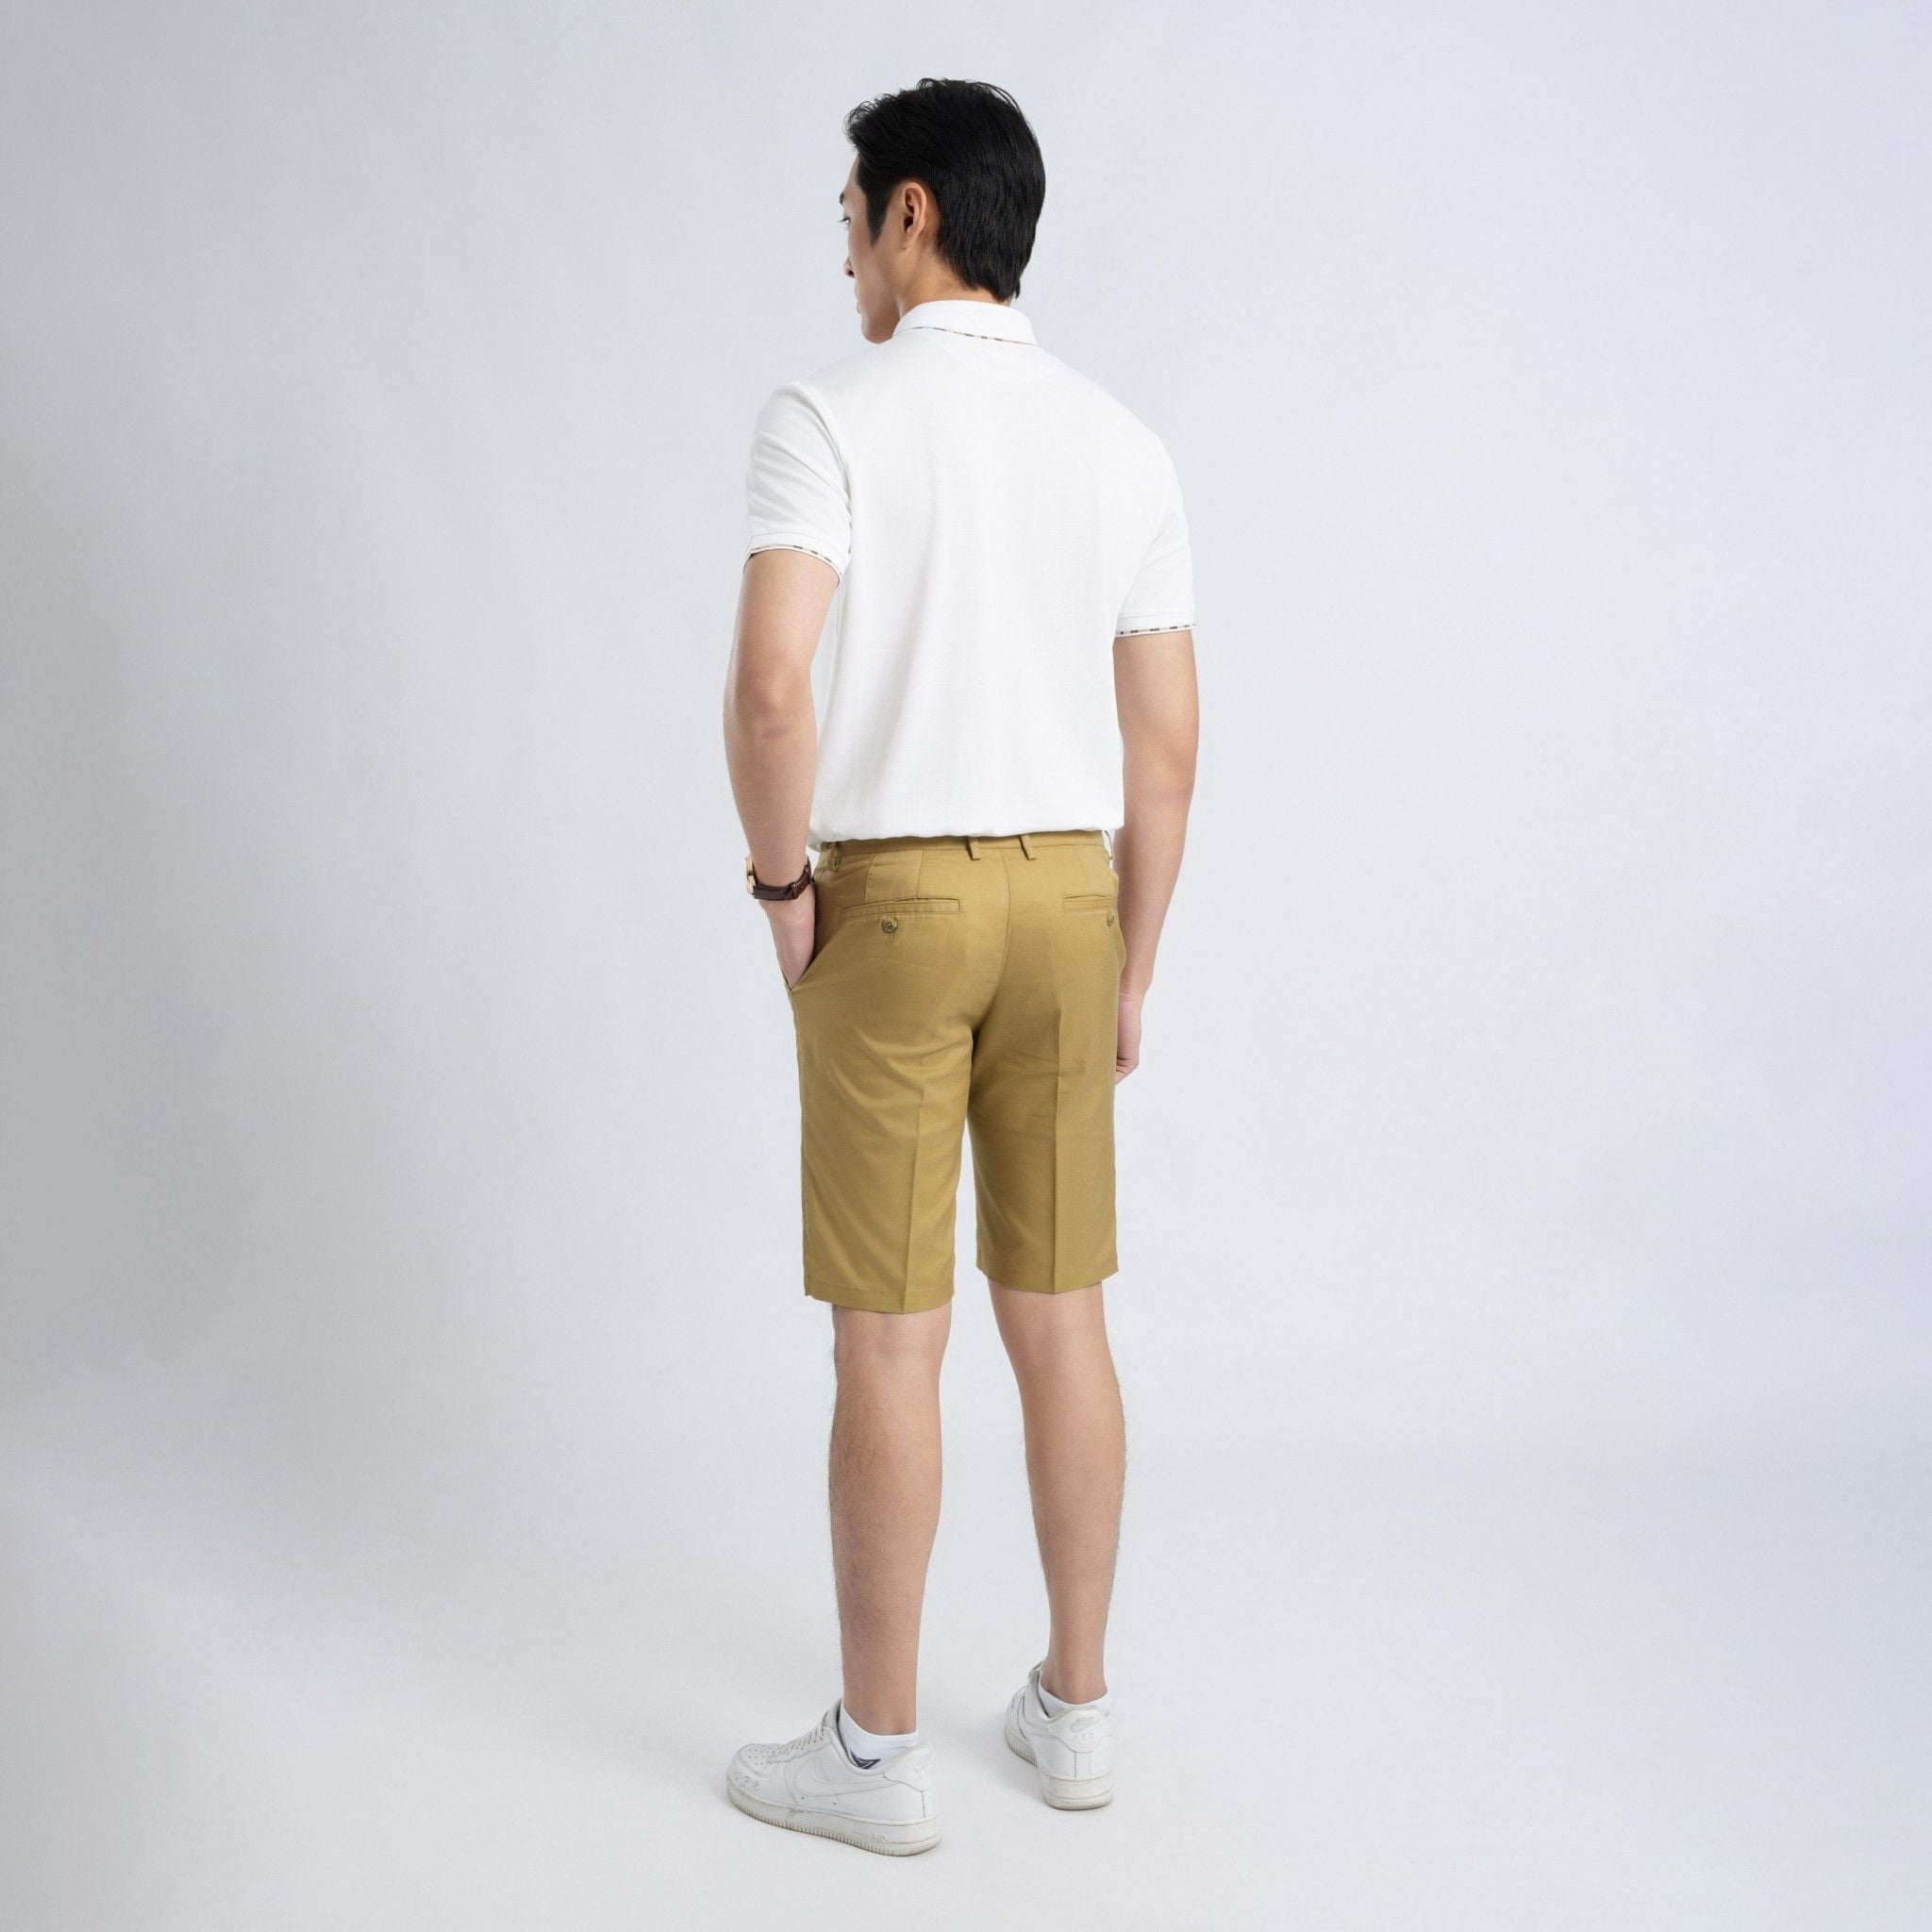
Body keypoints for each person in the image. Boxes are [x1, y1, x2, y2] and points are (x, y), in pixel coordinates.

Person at [720, 76, 1199, 1857]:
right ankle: (1075, 1714)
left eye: (850, 218)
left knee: (890, 1338)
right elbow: (1169, 749)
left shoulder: (827, 416)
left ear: (911, 213)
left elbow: (773, 686)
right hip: (1073, 901)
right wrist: (1133, 961)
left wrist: (785, 889)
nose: (843, 252)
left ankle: (876, 1758)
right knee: (1062, 1318)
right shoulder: (1124, 443)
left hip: (896, 910)